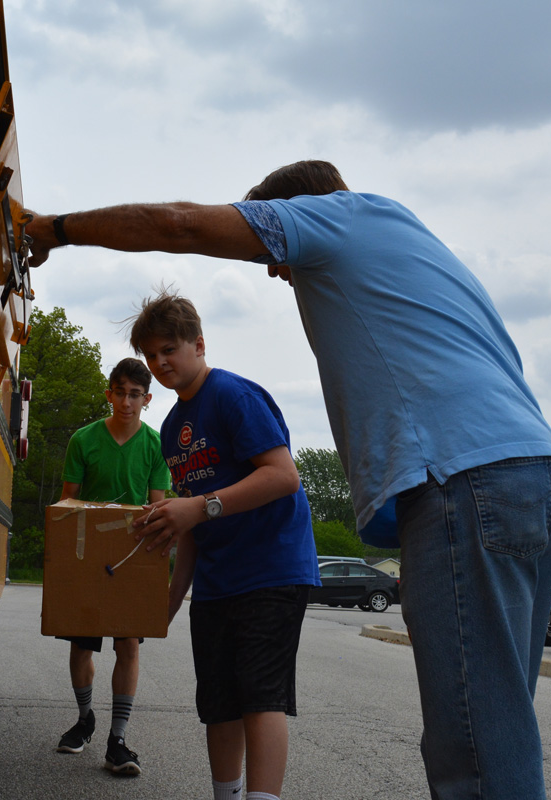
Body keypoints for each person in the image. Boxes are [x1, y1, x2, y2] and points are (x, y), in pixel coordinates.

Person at [24, 160, 551, 800]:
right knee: (498, 723)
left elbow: (179, 224)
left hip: (463, 482)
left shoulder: (332, 219)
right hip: (534, 474)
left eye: (270, 253)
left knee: (471, 747)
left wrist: (55, 229)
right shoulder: (405, 231)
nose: (276, 270)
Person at [124, 290, 319, 800]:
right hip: (216, 581)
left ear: (199, 344)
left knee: (259, 696)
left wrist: (200, 505)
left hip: (272, 569)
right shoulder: (170, 429)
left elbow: (283, 477)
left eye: (169, 349)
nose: (160, 362)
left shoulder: (235, 396)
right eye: (151, 355)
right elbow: (189, 526)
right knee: (218, 702)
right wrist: (168, 602)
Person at [53, 357, 170, 776]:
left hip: (133, 557)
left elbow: (158, 506)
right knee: (81, 644)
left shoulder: (157, 445)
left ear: (147, 399)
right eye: (119, 392)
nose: (126, 401)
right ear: (109, 394)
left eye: (134, 394)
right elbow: (68, 505)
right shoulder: (84, 439)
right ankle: (85, 720)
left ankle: (117, 740)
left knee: (129, 645)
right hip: (89, 556)